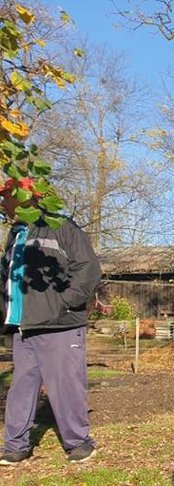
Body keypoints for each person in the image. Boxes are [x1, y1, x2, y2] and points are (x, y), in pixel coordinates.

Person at [0, 182, 101, 465]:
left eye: (6, 197)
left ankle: (78, 443)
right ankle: (15, 446)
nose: (2, 204)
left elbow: (89, 268)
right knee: (21, 386)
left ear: (25, 198)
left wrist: (63, 303)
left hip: (60, 325)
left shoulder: (61, 226)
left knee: (66, 385)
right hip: (24, 327)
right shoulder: (16, 234)